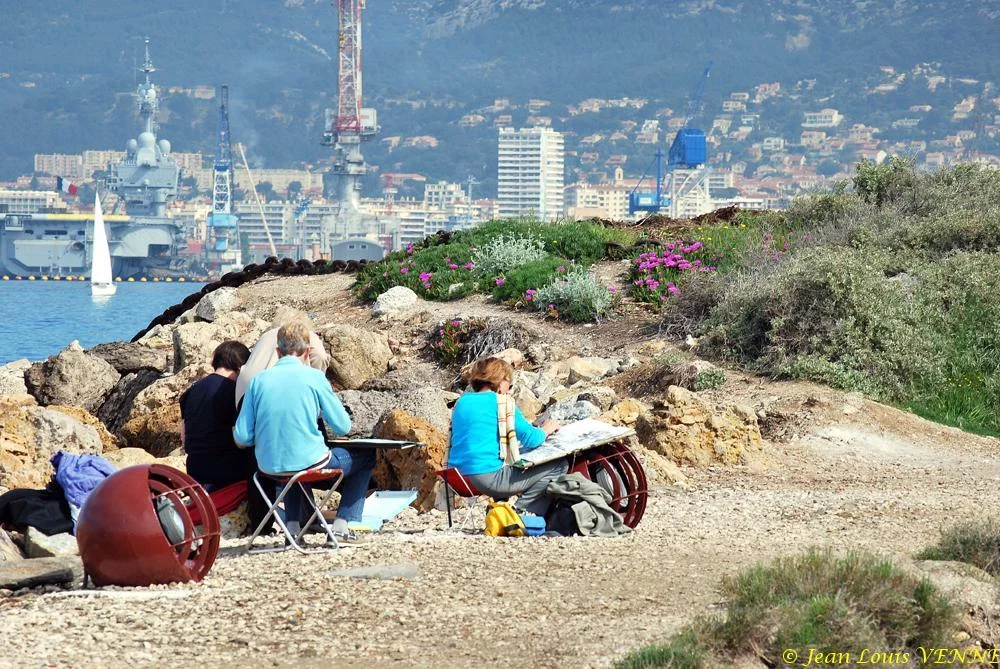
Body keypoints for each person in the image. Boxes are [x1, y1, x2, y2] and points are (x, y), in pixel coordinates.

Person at [233, 320, 374, 545]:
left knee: (293, 468)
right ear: (308, 351)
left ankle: (293, 530)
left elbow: (242, 436)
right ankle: (341, 527)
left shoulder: (258, 381)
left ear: (278, 351)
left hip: (269, 467)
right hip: (309, 463)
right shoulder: (314, 379)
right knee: (366, 459)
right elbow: (343, 426)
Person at [448, 357, 566, 516]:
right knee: (559, 464)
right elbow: (533, 439)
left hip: (457, 478)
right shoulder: (501, 403)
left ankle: (503, 511)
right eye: (509, 384)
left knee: (507, 457)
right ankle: (519, 513)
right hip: (487, 478)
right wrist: (547, 429)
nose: (509, 389)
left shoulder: (462, 402)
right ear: (500, 380)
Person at [180, 340, 252, 490]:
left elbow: (184, 437)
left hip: (195, 470)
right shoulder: (234, 393)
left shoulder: (191, 391)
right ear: (240, 367)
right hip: (226, 471)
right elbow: (239, 440)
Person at [235, 320, 330, 408]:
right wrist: (316, 379)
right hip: (275, 394)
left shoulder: (266, 335)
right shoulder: (304, 334)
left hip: (244, 392)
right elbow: (320, 356)